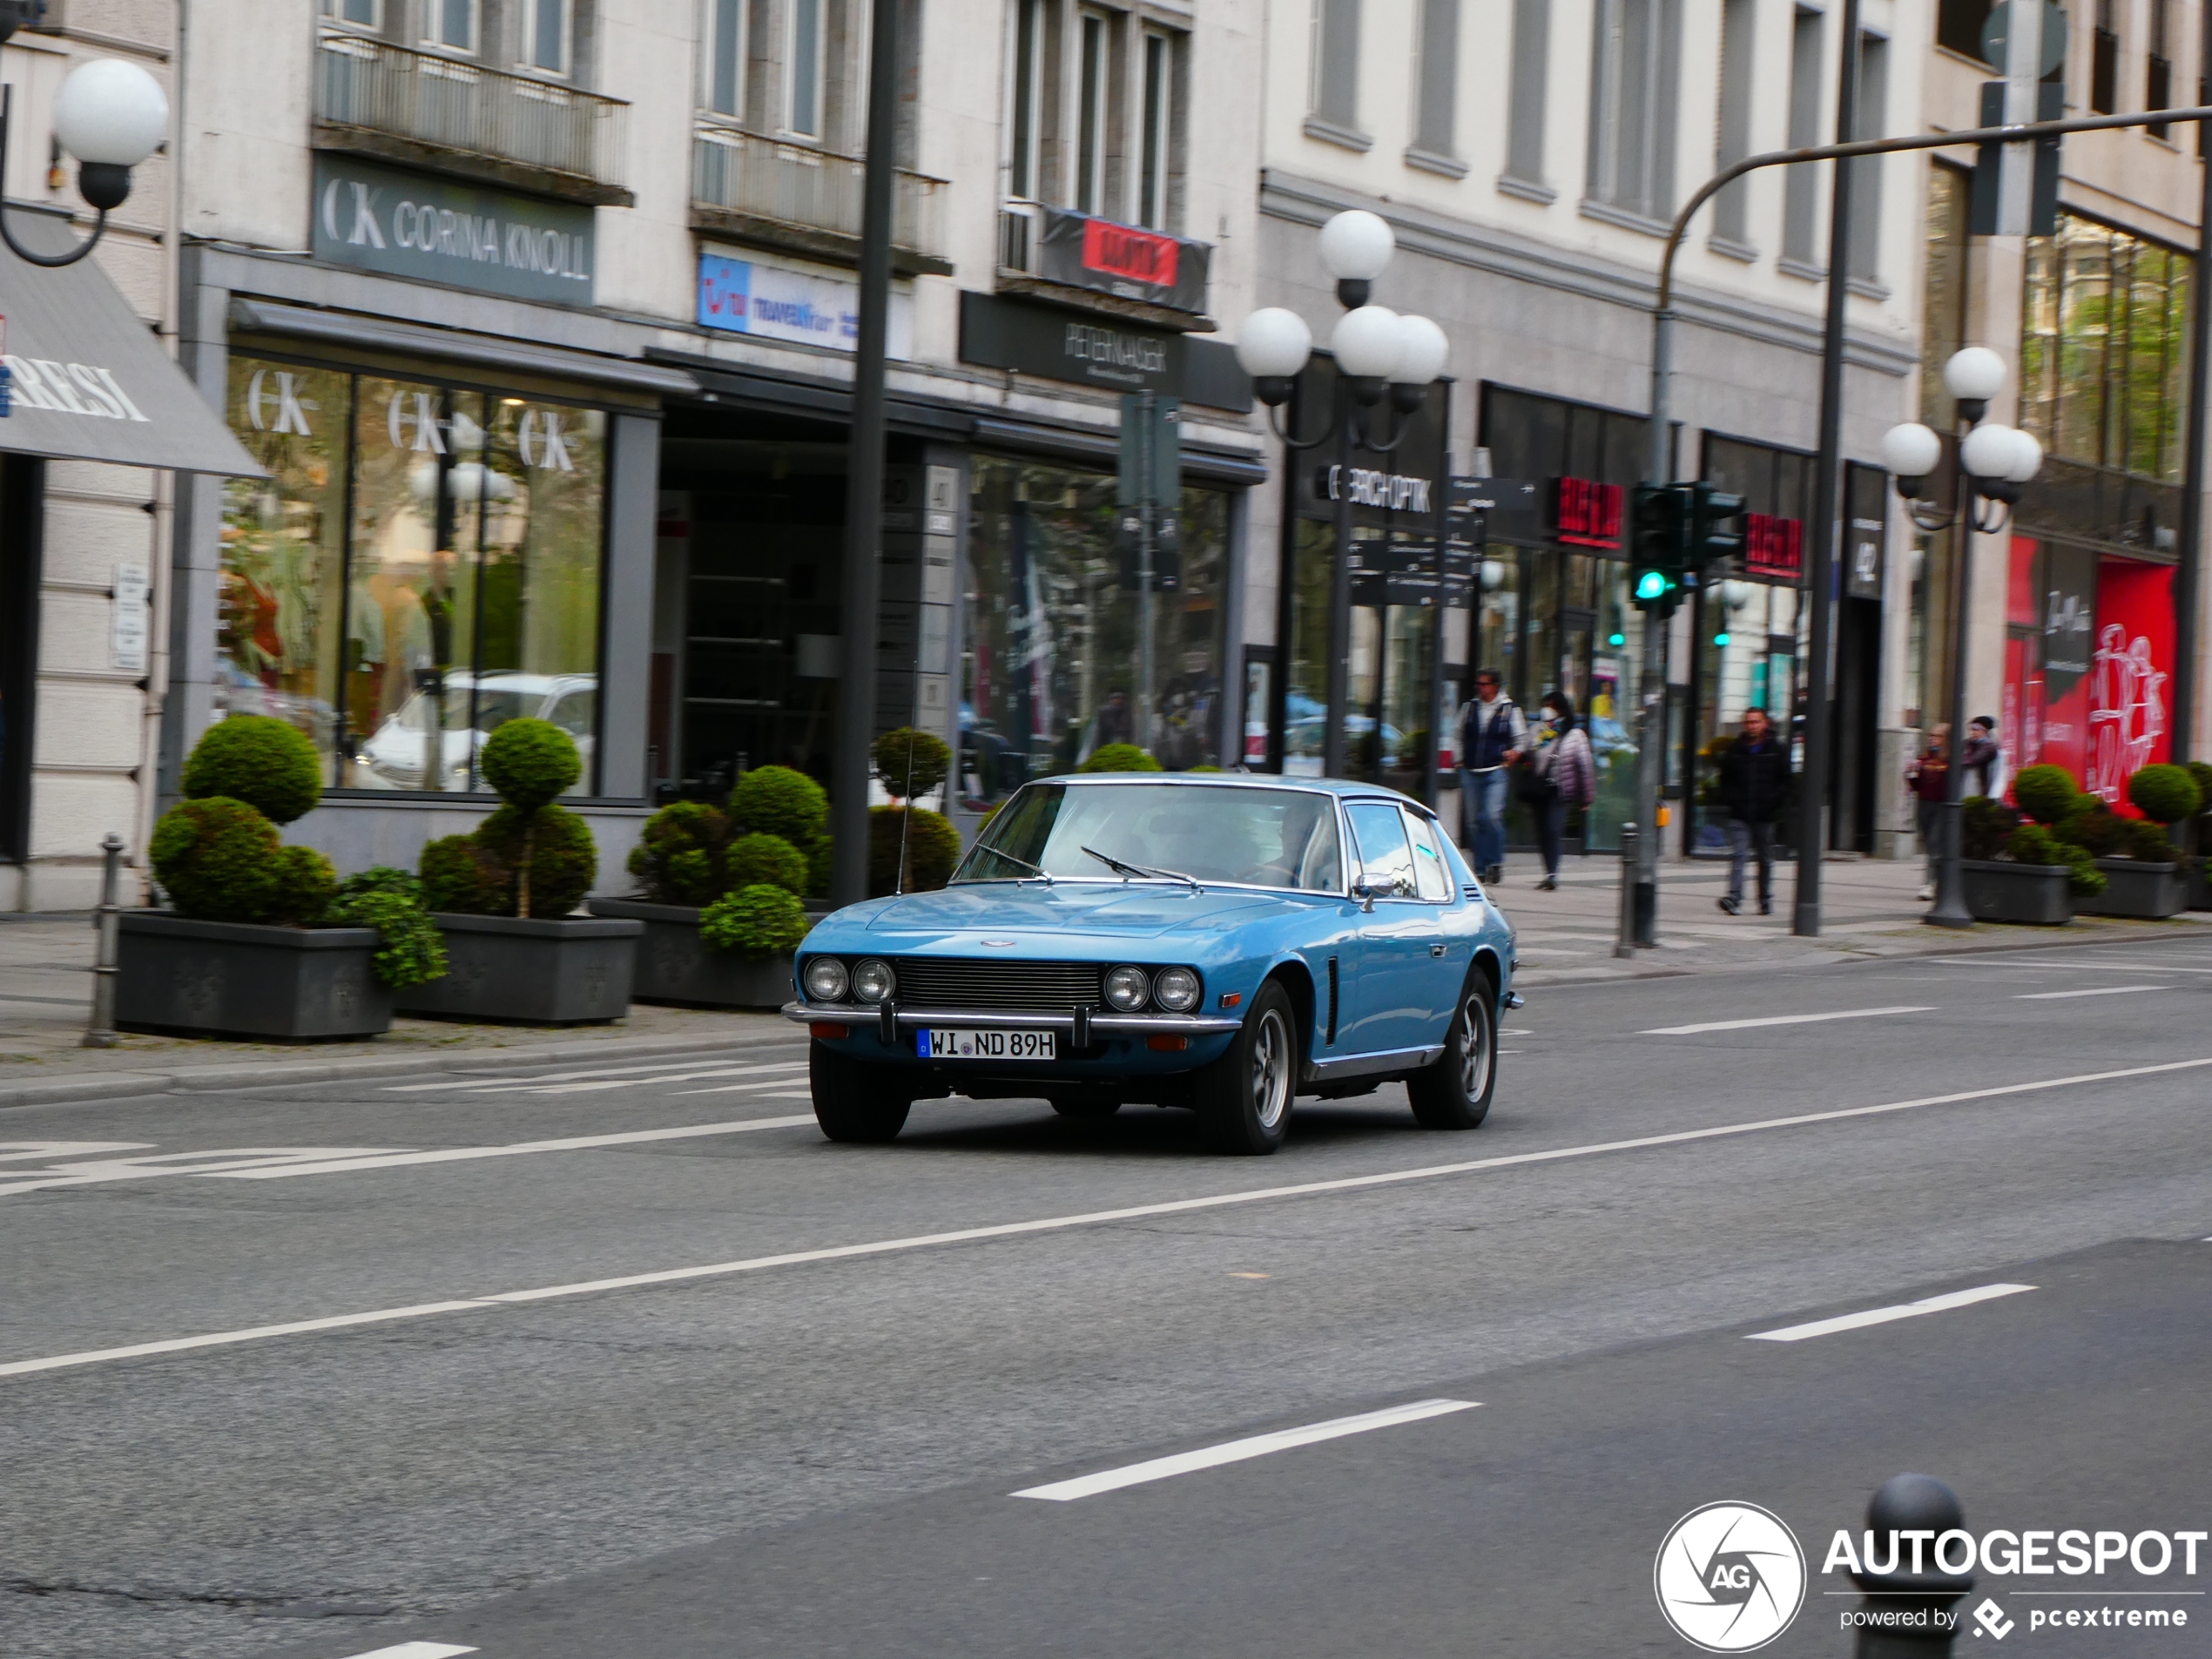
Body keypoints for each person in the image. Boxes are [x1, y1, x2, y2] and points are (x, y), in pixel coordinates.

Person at [1716, 707, 1790, 916]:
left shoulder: (1777, 749)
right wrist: (1732, 800)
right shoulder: (1735, 749)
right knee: (1739, 855)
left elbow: (1786, 781)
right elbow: (1725, 779)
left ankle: (1765, 899)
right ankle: (1734, 898)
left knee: (1765, 859)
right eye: (1749, 722)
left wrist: (1774, 802)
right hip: (1740, 813)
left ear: (1765, 723)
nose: (1752, 726)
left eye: (1756, 722)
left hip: (1765, 815)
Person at [1456, 668, 1527, 885]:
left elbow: (1522, 739)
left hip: (1495, 771)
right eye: (1478, 684)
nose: (1480, 687)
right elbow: (1457, 734)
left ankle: (1494, 861)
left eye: (1484, 684)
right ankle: (1480, 868)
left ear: (1495, 686)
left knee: (1491, 817)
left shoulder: (1509, 710)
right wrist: (1459, 758)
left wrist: (1515, 753)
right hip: (1470, 772)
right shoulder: (1469, 708)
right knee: (1473, 823)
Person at [1527, 691, 1595, 892]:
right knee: (1542, 833)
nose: (1547, 711)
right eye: (1545, 705)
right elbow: (1528, 754)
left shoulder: (1575, 735)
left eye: (1551, 706)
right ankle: (1548, 872)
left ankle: (1553, 874)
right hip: (1540, 789)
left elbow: (1585, 767)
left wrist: (1586, 798)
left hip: (1560, 789)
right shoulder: (1537, 731)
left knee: (1552, 829)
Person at [1906, 723, 1951, 901]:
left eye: (1937, 736)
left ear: (1946, 739)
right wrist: (1911, 773)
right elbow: (1917, 786)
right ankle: (1937, 881)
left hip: (1942, 806)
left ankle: (1930, 884)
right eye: (1931, 735)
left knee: (1935, 845)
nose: (1932, 738)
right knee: (1930, 845)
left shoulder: (1951, 760)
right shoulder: (1926, 757)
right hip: (1925, 804)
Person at [1959, 715, 2001, 798]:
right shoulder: (1968, 743)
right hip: (1966, 785)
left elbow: (1972, 760)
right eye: (1971, 730)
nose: (1973, 733)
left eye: (1976, 730)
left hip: (1979, 787)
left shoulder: (1989, 747)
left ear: (1985, 731)